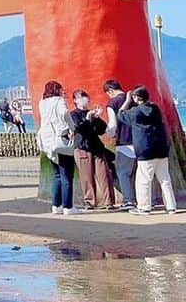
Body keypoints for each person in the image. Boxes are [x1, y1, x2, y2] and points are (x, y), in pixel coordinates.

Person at [120, 87, 179, 216]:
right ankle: (171, 207)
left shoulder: (135, 112)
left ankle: (144, 207)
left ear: (136, 98)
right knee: (165, 179)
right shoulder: (155, 109)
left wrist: (127, 101)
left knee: (144, 180)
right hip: (161, 149)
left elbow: (121, 115)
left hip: (145, 151)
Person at [69, 89, 116, 210]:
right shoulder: (74, 114)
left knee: (104, 175)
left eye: (85, 96)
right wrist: (87, 119)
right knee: (87, 177)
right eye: (80, 97)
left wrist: (96, 117)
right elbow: (78, 128)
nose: (84, 99)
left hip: (97, 148)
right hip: (82, 148)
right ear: (75, 100)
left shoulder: (92, 114)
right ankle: (89, 202)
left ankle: (108, 201)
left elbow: (102, 130)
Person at [36, 81, 76, 214]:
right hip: (60, 139)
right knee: (67, 175)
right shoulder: (59, 100)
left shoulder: (42, 102)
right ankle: (68, 207)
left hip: (47, 141)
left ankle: (56, 205)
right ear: (57, 89)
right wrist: (72, 128)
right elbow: (64, 113)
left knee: (57, 175)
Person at [103, 79, 138, 212]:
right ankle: (145, 199)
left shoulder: (113, 102)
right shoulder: (134, 100)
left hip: (124, 143)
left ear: (110, 91)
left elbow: (112, 124)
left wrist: (109, 133)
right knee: (138, 173)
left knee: (123, 173)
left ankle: (129, 200)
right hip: (139, 141)